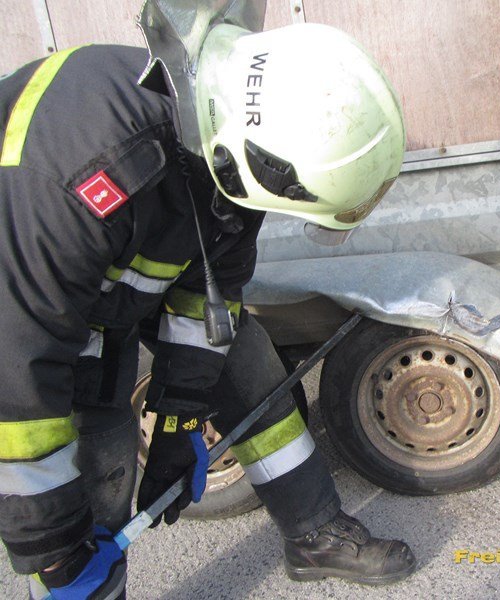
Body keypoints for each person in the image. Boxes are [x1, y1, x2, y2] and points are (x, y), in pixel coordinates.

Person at [0, 11, 414, 599]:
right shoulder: (72, 176)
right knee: (98, 459)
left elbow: (210, 292)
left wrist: (180, 420)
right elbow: (17, 376)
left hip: (103, 265)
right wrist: (51, 544)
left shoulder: (235, 137)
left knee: (244, 360)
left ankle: (314, 533)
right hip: (32, 300)